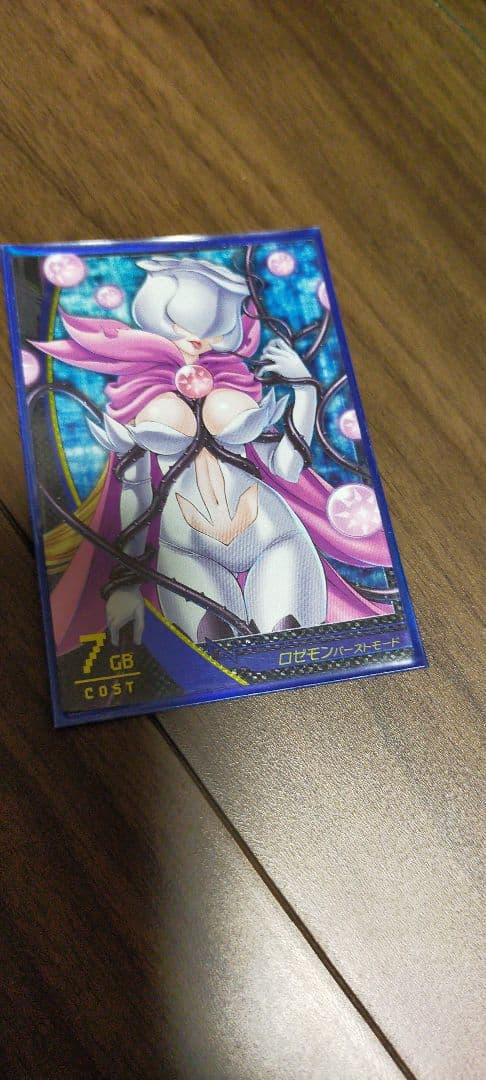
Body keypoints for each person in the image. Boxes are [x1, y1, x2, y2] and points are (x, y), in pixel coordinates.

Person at [32, 255, 393, 652]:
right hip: (187, 548)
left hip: (272, 535)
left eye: (215, 328)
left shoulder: (235, 383)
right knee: (215, 647)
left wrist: (305, 391)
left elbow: (287, 469)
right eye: (181, 322)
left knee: (286, 638)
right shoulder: (140, 397)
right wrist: (126, 584)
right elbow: (135, 498)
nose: (198, 340)